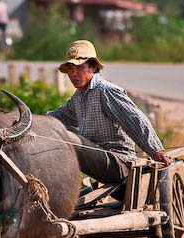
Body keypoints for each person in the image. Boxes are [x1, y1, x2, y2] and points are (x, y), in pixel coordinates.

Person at [46, 40, 171, 186]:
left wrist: (157, 151)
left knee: (68, 137)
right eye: (70, 69)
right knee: (54, 127)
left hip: (119, 164)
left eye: (79, 68)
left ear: (93, 67)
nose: (73, 74)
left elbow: (135, 120)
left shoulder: (106, 90)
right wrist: (31, 121)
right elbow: (58, 117)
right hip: (100, 165)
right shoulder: (78, 97)